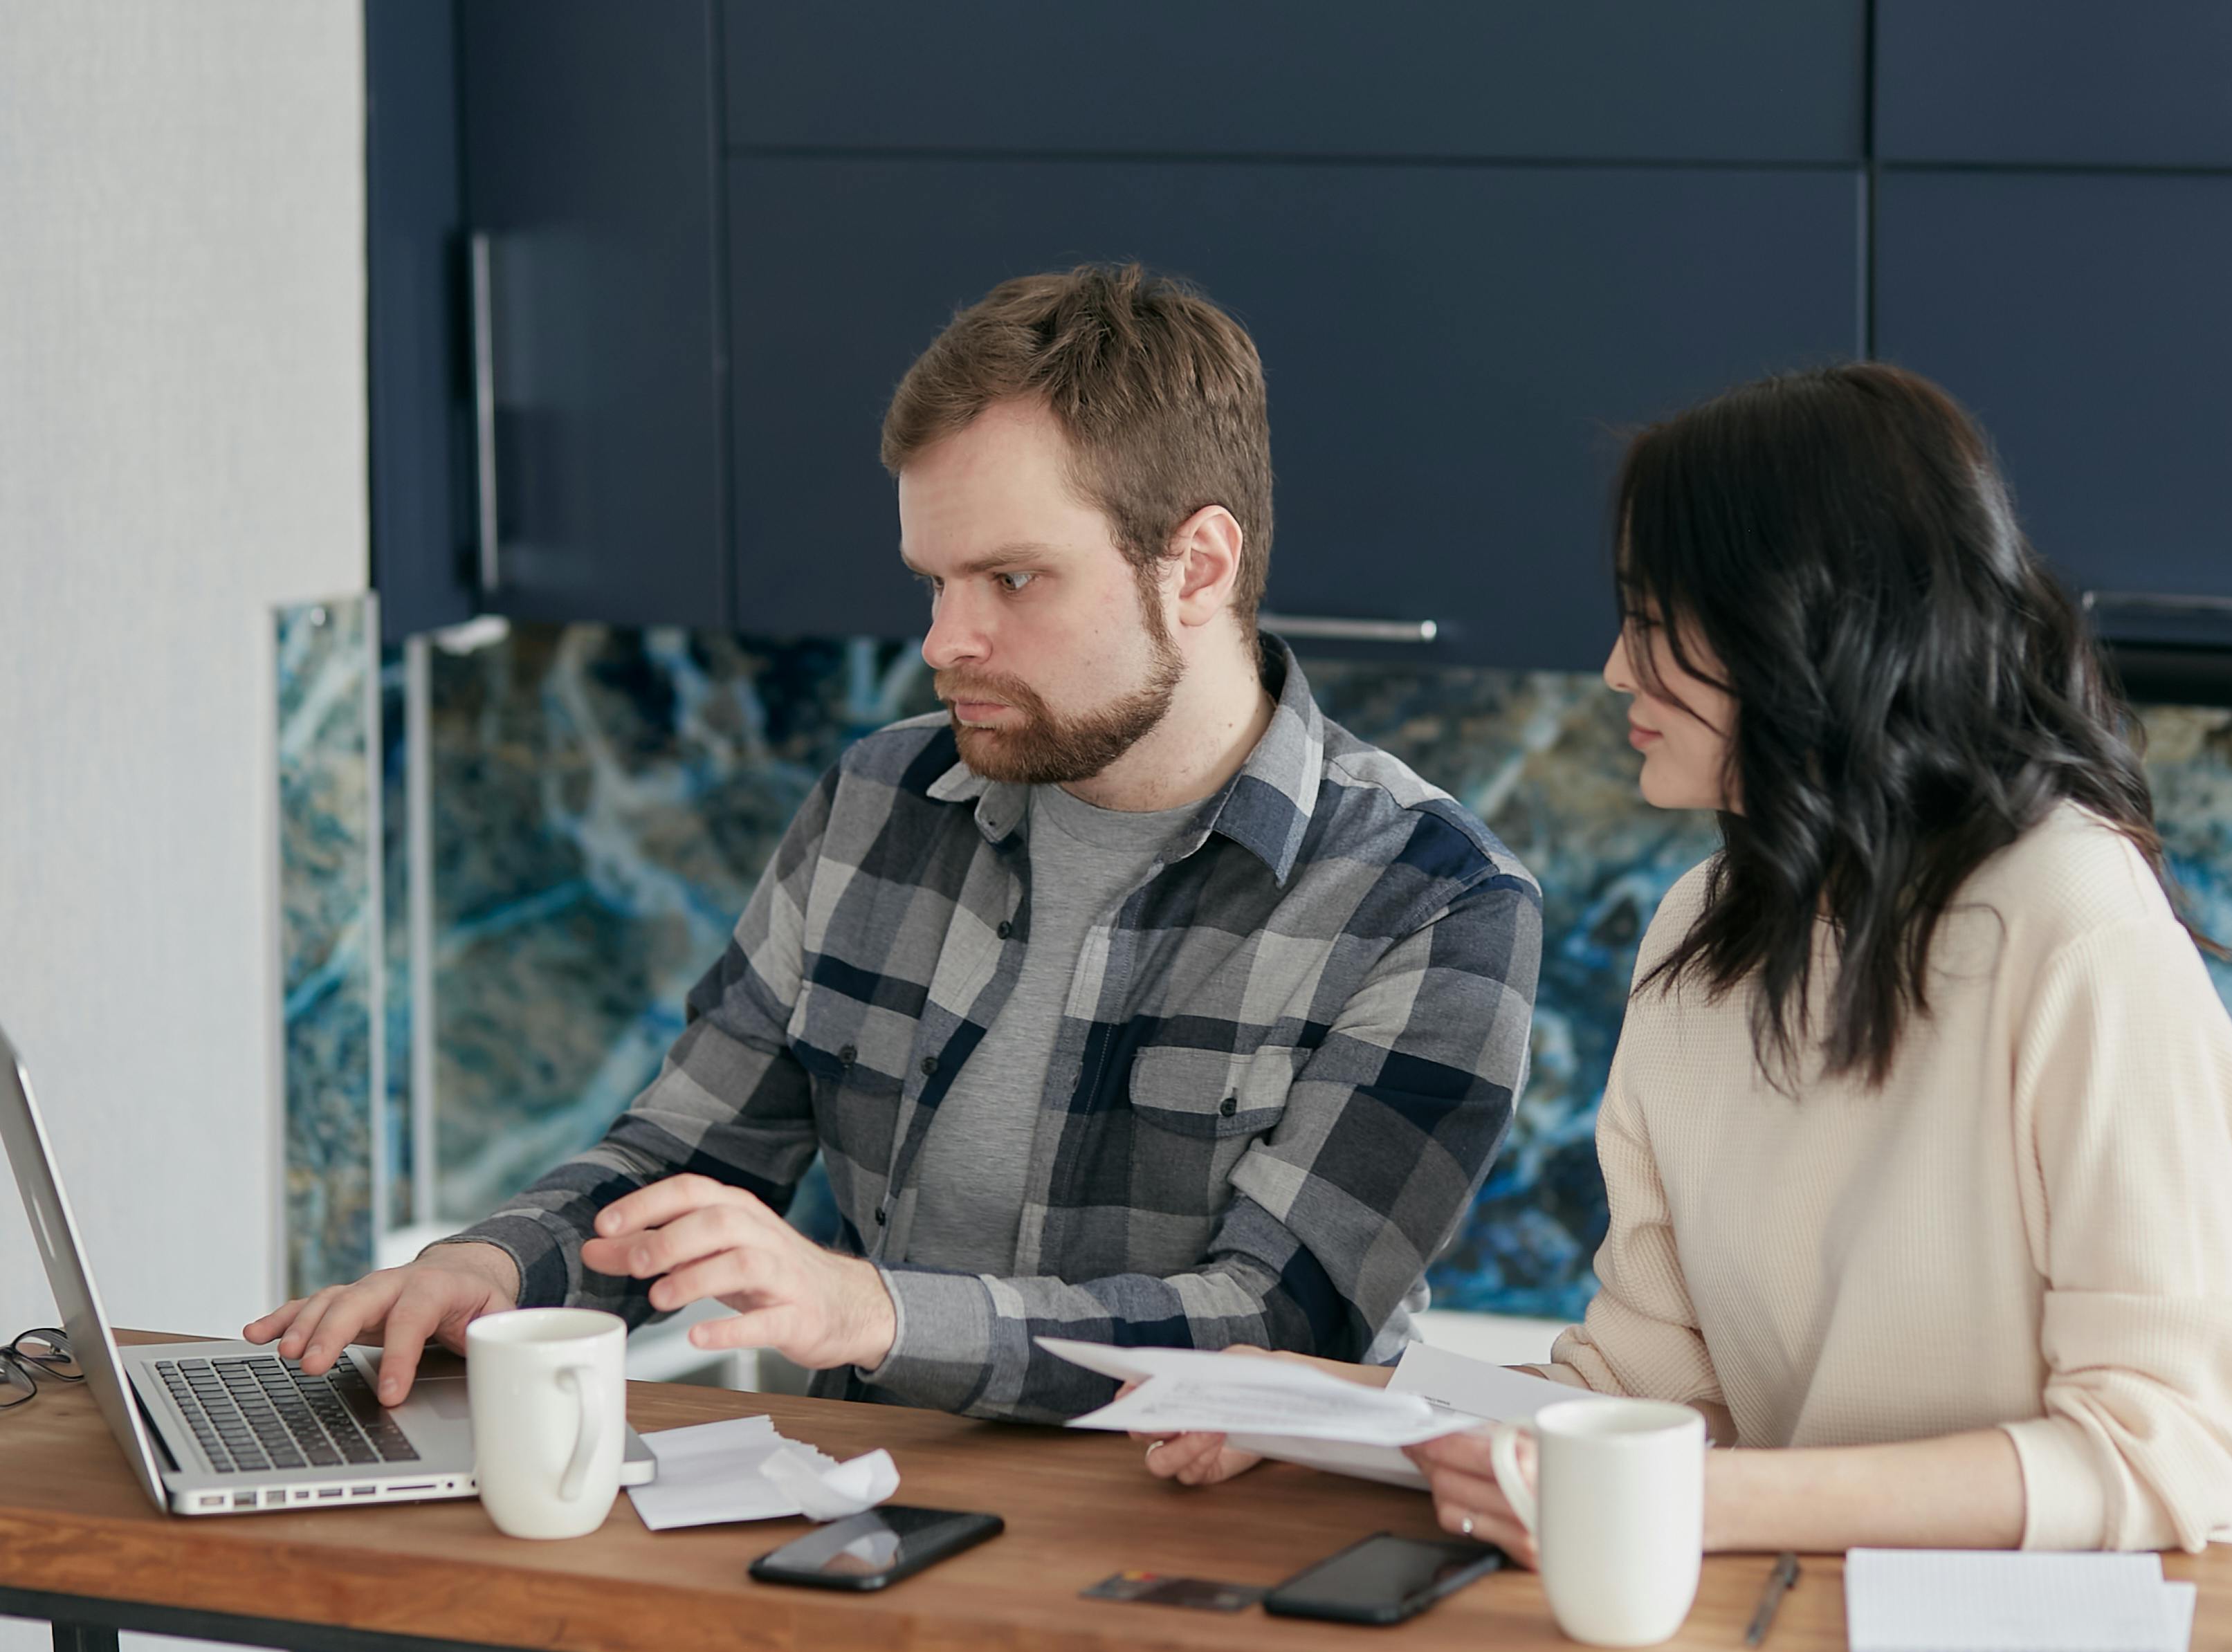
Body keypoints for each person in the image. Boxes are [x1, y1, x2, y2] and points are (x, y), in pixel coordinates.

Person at [247, 264, 1544, 1424]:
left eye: (1013, 581)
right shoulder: (879, 801)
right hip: (870, 1521)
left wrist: (871, 1312)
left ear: (1197, 568)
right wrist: (489, 1266)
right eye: (934, 580)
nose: (944, 641)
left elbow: (1279, 1327)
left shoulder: (1432, 904)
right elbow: (688, 1156)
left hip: (1191, 1573)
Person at [1147, 362, 2232, 1562]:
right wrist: (1338, 1407)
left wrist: (1702, 1506)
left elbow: (2165, 1448)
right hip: (1797, 1644)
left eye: (1652, 620)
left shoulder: (2073, 918)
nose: (1613, 670)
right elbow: (1651, 1390)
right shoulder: (1703, 932)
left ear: (1807, 623)